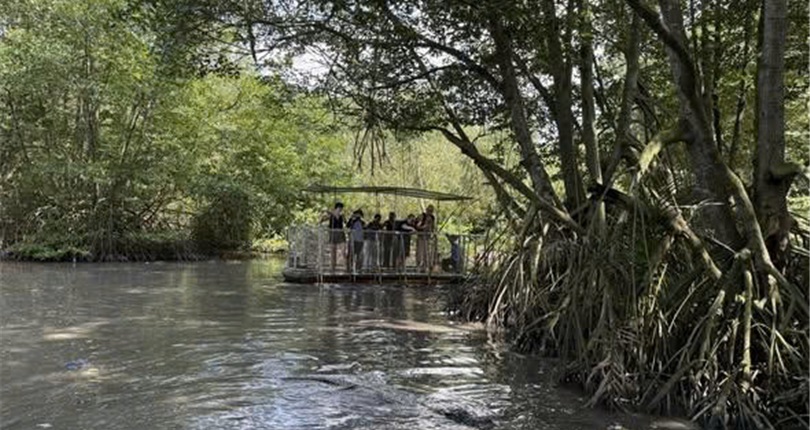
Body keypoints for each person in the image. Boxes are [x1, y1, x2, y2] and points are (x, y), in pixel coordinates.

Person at [320, 202, 345, 272]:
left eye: (341, 209)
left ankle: (346, 267)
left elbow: (344, 222)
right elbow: (322, 219)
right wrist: (325, 215)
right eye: (339, 208)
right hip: (333, 233)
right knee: (333, 251)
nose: (340, 210)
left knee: (343, 250)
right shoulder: (331, 215)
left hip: (340, 234)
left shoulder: (341, 216)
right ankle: (332, 268)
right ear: (336, 208)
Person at [415, 205, 436, 270]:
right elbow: (417, 226)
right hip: (421, 236)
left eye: (431, 211)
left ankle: (425, 266)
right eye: (429, 210)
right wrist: (424, 226)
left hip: (427, 237)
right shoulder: (422, 216)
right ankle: (419, 265)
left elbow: (432, 227)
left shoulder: (432, 218)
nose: (430, 212)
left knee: (426, 252)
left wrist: (432, 233)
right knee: (420, 251)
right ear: (426, 210)